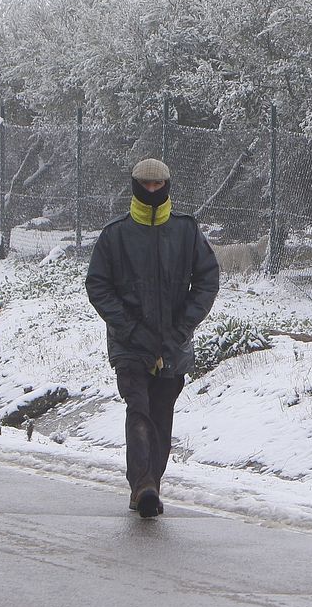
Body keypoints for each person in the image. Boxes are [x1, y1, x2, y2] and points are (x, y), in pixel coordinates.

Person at [85, 158, 219, 518]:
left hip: (173, 347)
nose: (152, 191)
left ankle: (151, 485)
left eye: (159, 185)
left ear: (168, 186)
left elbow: (207, 281)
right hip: (130, 347)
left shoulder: (187, 231)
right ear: (134, 186)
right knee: (139, 409)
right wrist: (129, 329)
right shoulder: (115, 235)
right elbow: (98, 285)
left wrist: (180, 329)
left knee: (162, 415)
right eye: (146, 184)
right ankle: (142, 484)